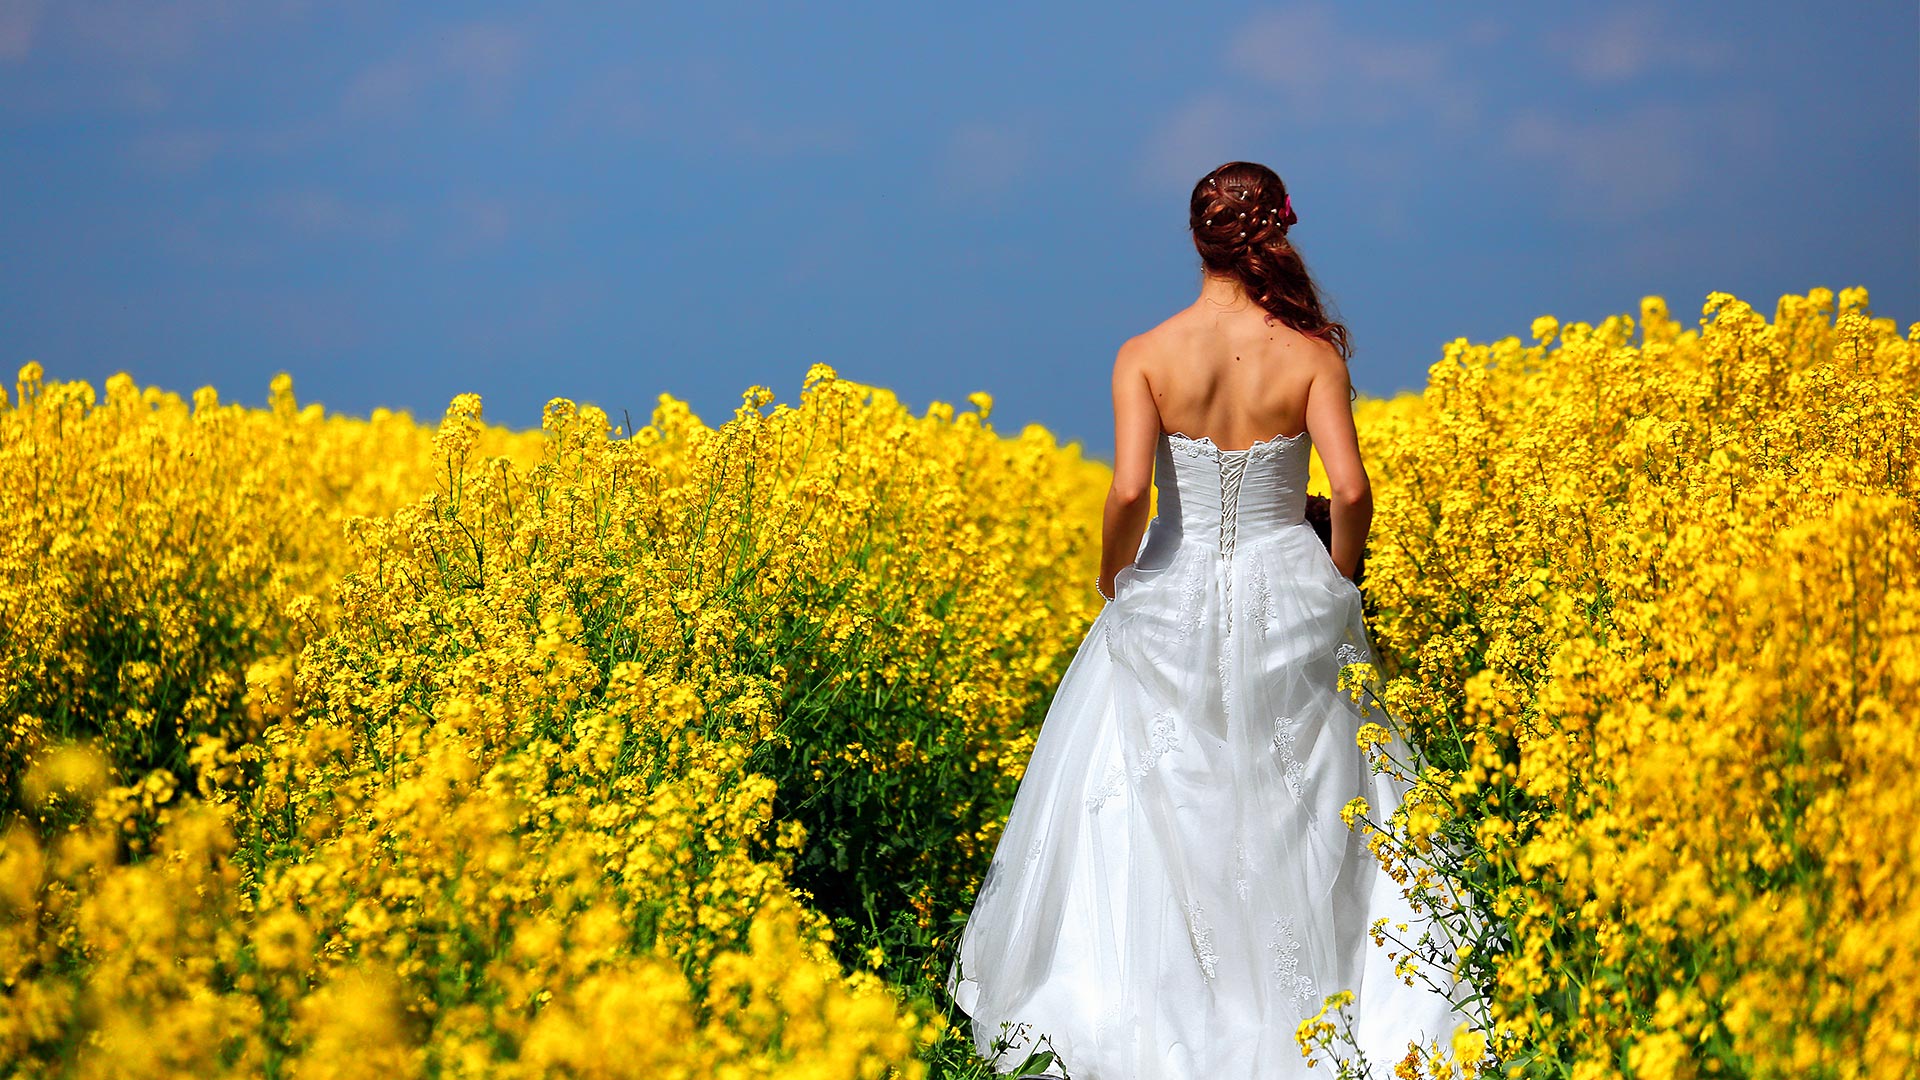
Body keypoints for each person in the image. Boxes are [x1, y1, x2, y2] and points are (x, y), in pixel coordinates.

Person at [946, 162, 1463, 1079]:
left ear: (1196, 239)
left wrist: (1114, 579)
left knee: (1160, 801)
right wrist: (1336, 583)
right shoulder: (1311, 355)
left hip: (1174, 587)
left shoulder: (1145, 352)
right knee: (1306, 803)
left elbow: (1133, 489)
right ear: (1277, 234)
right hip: (1288, 583)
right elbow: (1349, 489)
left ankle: (1161, 1017)